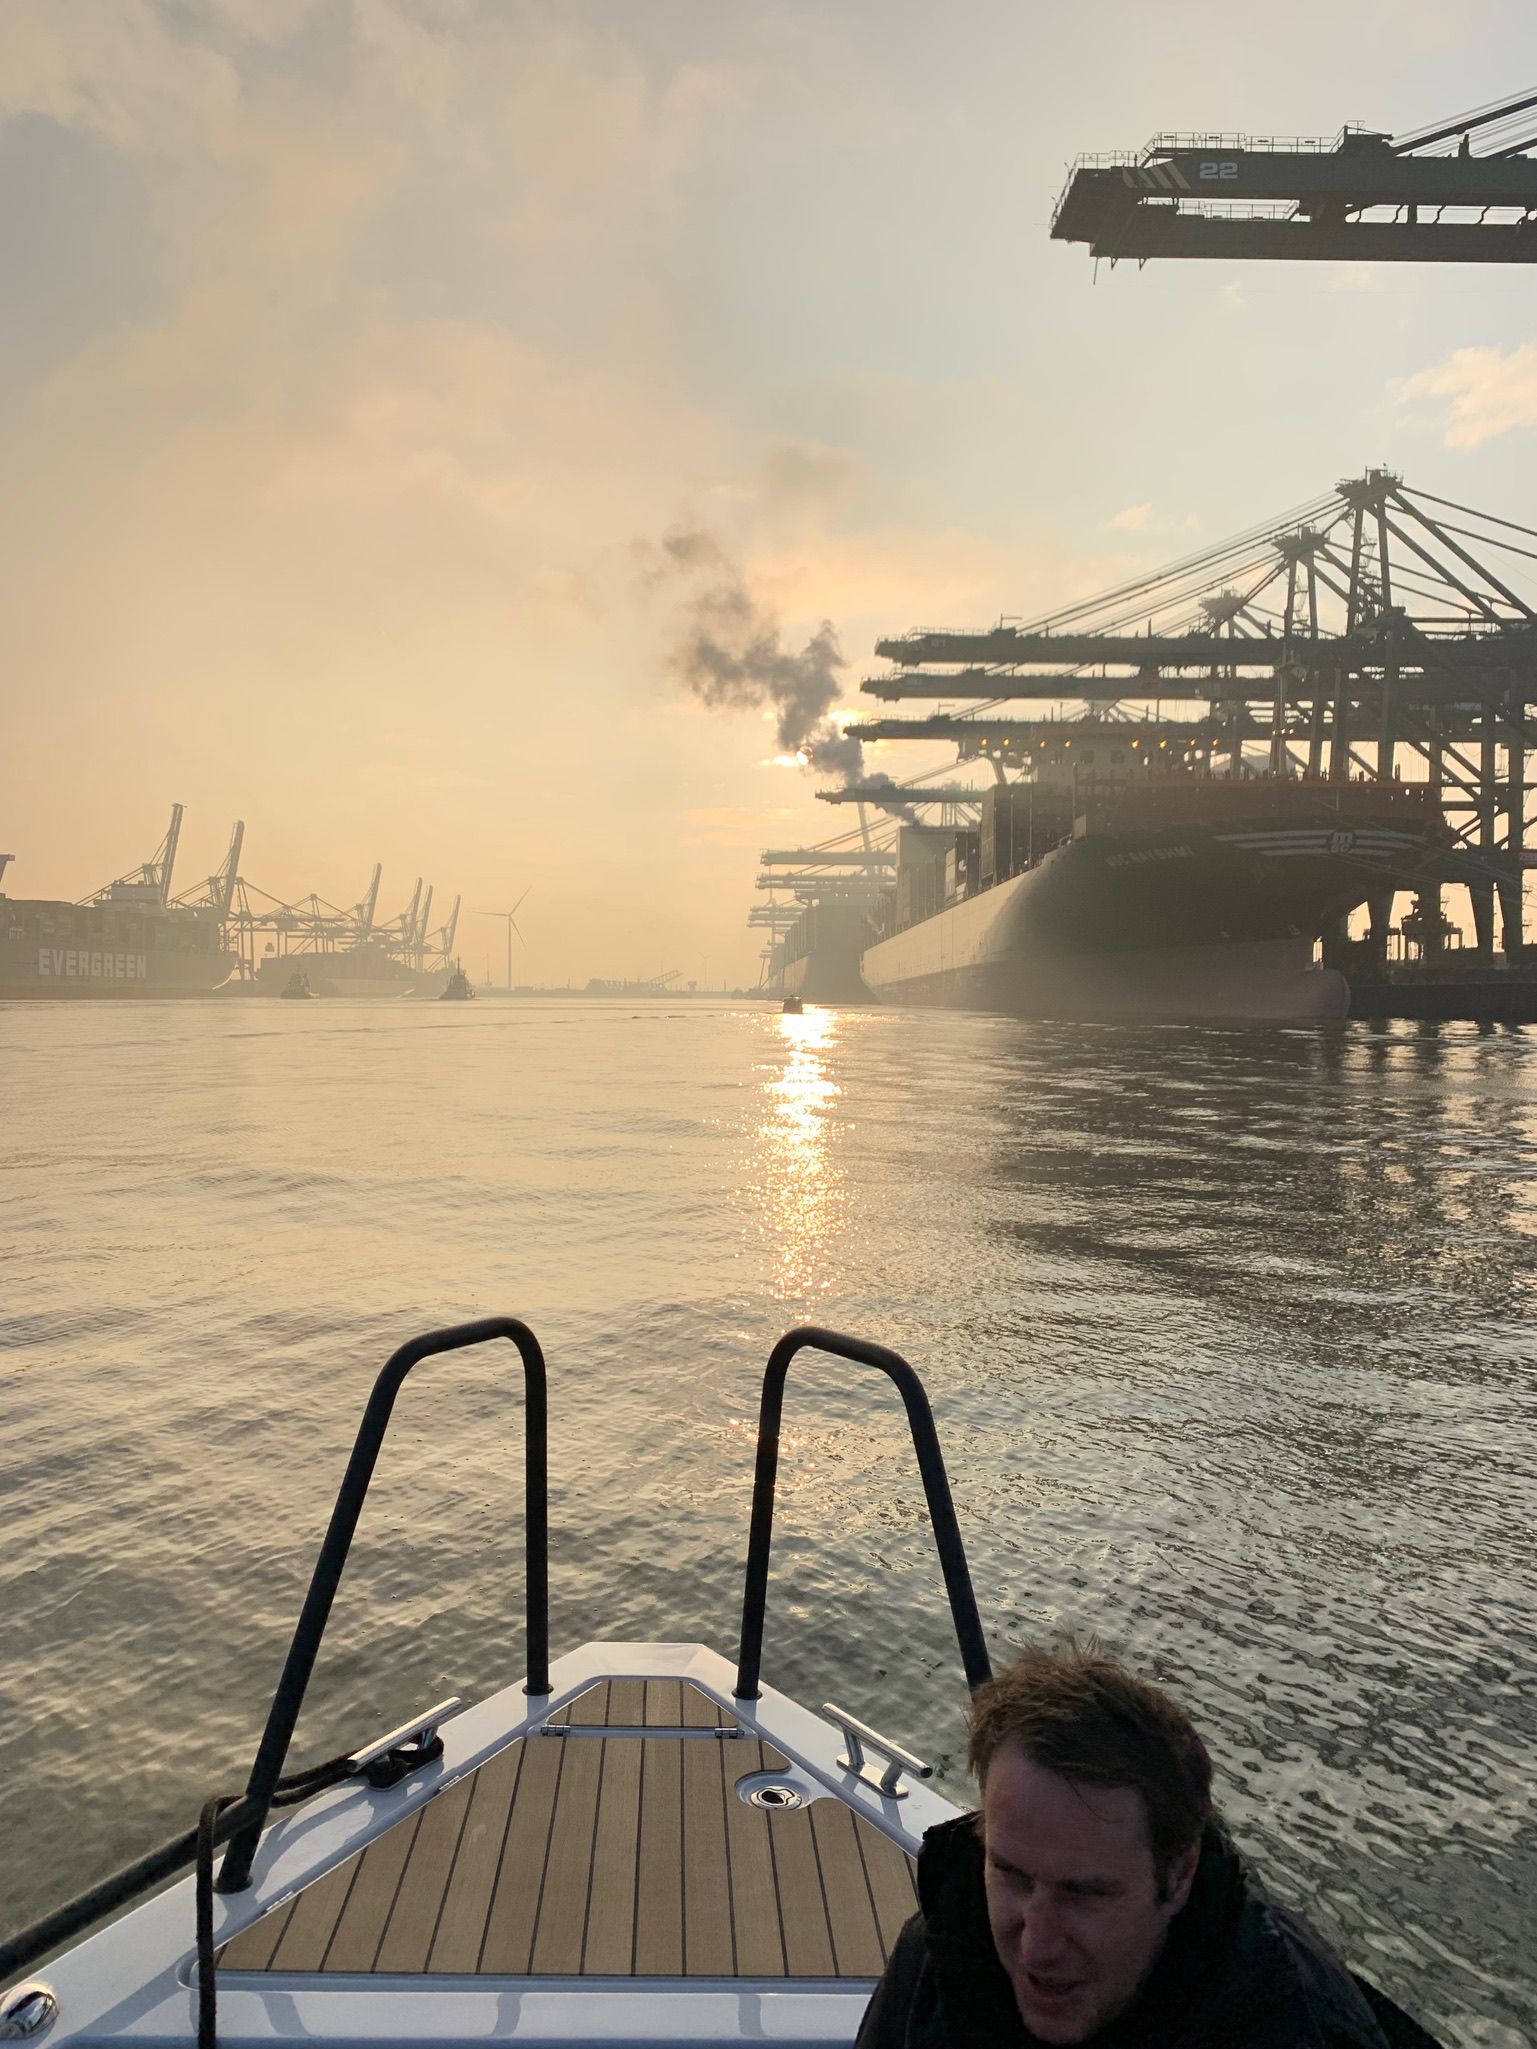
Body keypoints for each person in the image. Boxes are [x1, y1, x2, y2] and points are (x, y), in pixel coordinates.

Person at [854, 1642, 1443, 2049]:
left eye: (1084, 1894)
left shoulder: (1296, 2025)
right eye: (1012, 1874)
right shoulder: (944, 1947)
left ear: (1178, 1874)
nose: (1036, 1946)